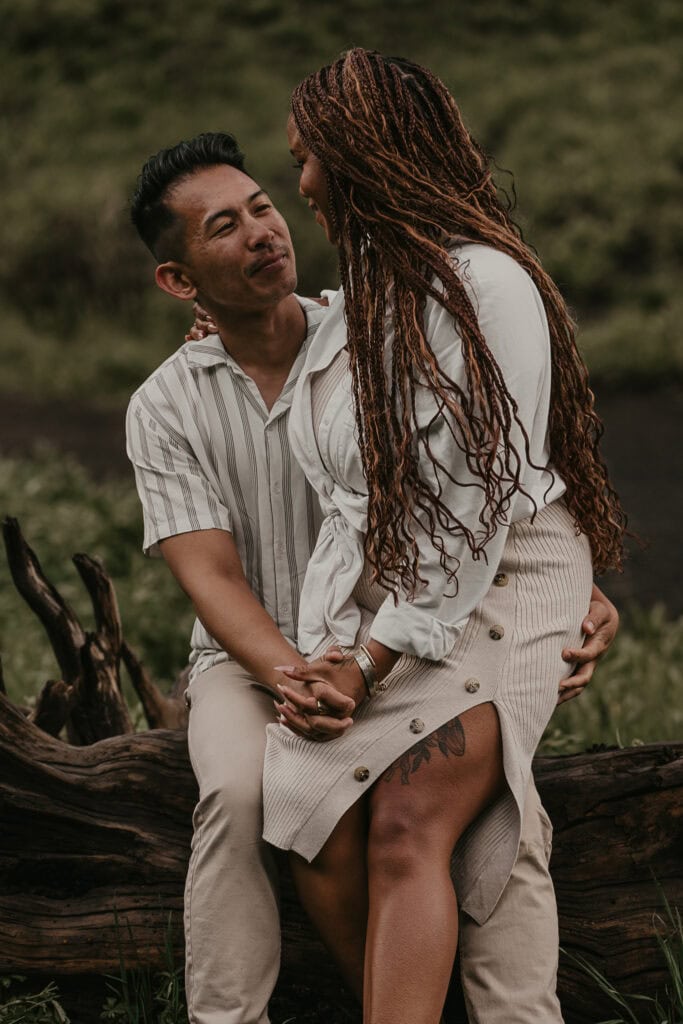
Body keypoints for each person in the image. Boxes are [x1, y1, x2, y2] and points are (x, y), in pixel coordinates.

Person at [127, 131, 619, 1024]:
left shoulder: (369, 327)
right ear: (179, 281)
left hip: (388, 635)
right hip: (253, 662)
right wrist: (295, 678)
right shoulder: (164, 404)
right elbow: (211, 577)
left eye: (265, 207)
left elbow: (475, 481)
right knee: (242, 797)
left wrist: (558, 587)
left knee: (490, 813)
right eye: (225, 227)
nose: (262, 232)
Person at [256, 50, 627, 1024]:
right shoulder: (368, 296)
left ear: (353, 153)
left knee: (412, 821)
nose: (297, 185)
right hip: (407, 597)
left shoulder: (485, 286)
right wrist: (219, 327)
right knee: (311, 820)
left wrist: (363, 666)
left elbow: (478, 505)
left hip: (502, 583)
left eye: (304, 159)